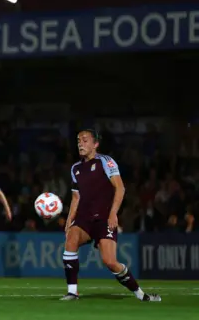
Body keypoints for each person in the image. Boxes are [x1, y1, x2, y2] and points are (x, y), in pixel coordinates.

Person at [62, 129, 161, 302]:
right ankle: (72, 292)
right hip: (84, 218)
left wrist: (113, 214)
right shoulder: (75, 168)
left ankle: (140, 294)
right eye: (78, 140)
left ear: (95, 144)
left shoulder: (105, 162)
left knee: (110, 262)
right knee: (71, 239)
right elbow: (76, 197)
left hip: (103, 218)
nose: (80, 144)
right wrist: (70, 220)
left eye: (85, 140)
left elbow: (120, 188)